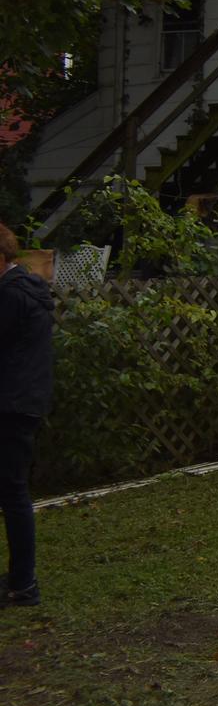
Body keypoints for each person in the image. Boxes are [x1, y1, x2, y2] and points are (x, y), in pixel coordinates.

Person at [0, 223, 53, 608]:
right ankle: (20, 578)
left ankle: (23, 585)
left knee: (13, 491)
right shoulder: (26, 291)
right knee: (11, 490)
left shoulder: (11, 297)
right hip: (23, 402)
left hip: (10, 405)